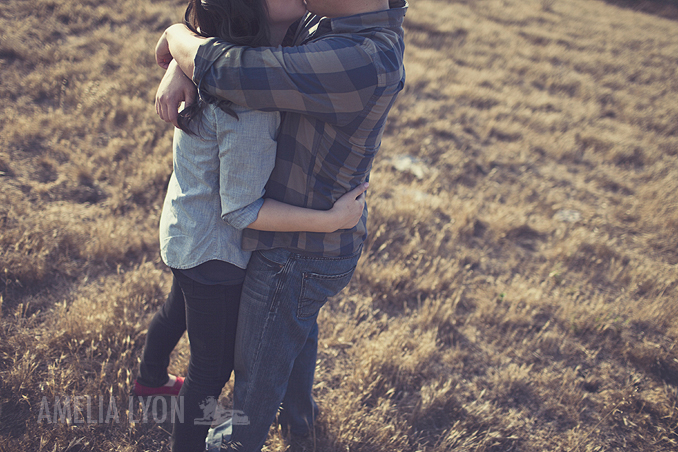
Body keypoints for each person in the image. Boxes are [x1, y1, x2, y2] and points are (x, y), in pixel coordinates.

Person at [154, 0, 407, 449]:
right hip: (293, 240)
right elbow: (232, 49)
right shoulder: (331, 21)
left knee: (252, 388)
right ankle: (298, 419)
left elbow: (230, 70)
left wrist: (178, 41)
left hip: (299, 248)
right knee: (295, 329)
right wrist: (184, 59)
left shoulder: (360, 58)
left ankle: (239, 440)